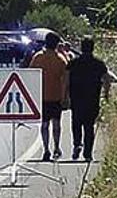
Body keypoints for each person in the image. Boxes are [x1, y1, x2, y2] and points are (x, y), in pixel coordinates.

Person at [66, 36, 112, 162]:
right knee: (89, 126)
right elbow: (107, 79)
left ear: (81, 47)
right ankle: (88, 153)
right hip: (92, 99)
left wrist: (65, 95)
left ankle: (77, 144)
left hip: (76, 98)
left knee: (76, 124)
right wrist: (106, 94)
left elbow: (66, 79)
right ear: (93, 48)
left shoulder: (74, 63)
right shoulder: (98, 64)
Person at [29, 32, 69, 162]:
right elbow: (65, 79)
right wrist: (64, 97)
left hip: (42, 96)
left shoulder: (38, 57)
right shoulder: (61, 59)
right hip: (56, 96)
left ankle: (46, 149)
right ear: (57, 44)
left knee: (44, 124)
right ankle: (57, 147)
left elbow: (31, 75)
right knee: (56, 124)